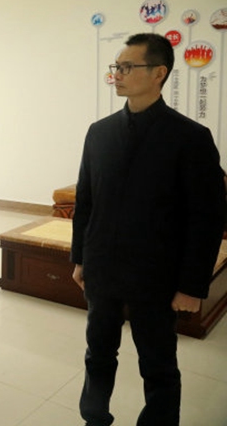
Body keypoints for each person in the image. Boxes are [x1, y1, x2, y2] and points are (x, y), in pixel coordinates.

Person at [71, 33, 226, 426]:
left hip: (156, 276)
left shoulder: (190, 138)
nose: (118, 74)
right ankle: (94, 417)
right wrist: (80, 258)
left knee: (157, 365)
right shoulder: (99, 132)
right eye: (116, 67)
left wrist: (191, 286)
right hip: (103, 269)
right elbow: (85, 202)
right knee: (98, 353)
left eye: (127, 67)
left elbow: (207, 217)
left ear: (159, 73)